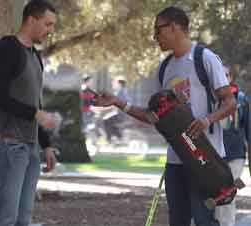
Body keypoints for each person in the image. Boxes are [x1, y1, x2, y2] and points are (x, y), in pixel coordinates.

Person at [94, 6, 236, 226]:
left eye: (158, 30)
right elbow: (154, 117)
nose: (155, 37)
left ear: (174, 27)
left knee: (203, 220)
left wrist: (207, 120)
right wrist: (118, 103)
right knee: (177, 221)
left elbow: (230, 102)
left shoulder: (204, 59)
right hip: (175, 161)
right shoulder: (164, 68)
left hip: (205, 160)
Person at [0, 1, 57, 226]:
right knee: (5, 218)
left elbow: (34, 100)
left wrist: (45, 144)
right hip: (8, 144)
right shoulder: (7, 50)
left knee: (23, 220)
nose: (50, 30)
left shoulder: (35, 56)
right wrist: (35, 114)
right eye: (47, 24)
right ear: (31, 20)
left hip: (30, 145)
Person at [215, 66, 249, 226]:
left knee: (227, 194)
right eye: (220, 74)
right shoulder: (211, 98)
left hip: (235, 154)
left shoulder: (241, 99)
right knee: (214, 193)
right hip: (213, 154)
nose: (223, 77)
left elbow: (248, 128)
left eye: (226, 75)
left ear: (231, 77)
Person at [102, 77, 131, 143]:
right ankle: (117, 137)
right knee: (110, 120)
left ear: (119, 84)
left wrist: (103, 107)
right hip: (122, 114)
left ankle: (110, 139)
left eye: (114, 83)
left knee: (106, 120)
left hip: (122, 115)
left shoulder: (121, 93)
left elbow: (114, 104)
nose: (112, 85)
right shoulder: (122, 91)